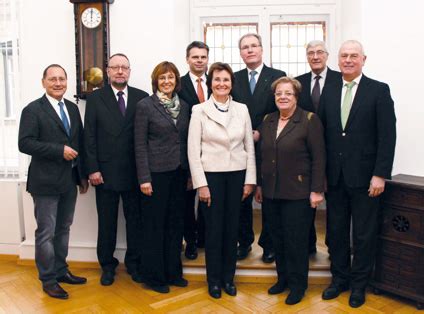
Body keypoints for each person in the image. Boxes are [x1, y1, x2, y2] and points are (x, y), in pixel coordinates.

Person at [320, 40, 396, 308]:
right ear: (338, 60)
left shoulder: (378, 90)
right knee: (336, 232)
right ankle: (339, 280)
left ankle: (358, 285)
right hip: (335, 178)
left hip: (366, 179)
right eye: (344, 56)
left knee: (363, 235)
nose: (348, 60)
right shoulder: (329, 91)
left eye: (354, 56)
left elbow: (387, 137)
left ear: (364, 59)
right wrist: (322, 175)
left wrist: (380, 175)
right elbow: (323, 137)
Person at [18, 64, 89, 299]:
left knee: (63, 229)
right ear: (43, 82)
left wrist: (82, 177)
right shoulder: (33, 110)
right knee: (46, 233)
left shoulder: (71, 107)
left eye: (61, 79)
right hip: (45, 183)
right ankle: (48, 279)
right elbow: (25, 143)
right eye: (52, 79)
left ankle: (61, 270)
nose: (58, 83)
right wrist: (59, 150)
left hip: (69, 181)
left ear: (67, 81)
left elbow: (78, 143)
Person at [255, 76, 326, 305]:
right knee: (277, 239)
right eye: (278, 93)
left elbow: (319, 158)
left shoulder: (308, 120)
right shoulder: (268, 120)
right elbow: (262, 156)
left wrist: (316, 191)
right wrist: (258, 184)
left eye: (288, 93)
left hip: (298, 192)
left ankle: (298, 286)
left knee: (296, 242)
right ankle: (282, 279)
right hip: (271, 192)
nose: (282, 97)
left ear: (296, 96)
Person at [188, 62, 256, 299]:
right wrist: (201, 184)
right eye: (217, 79)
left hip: (237, 175)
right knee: (214, 231)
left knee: (232, 229)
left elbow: (249, 146)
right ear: (210, 83)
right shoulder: (199, 110)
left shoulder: (242, 109)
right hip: (211, 177)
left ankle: (229, 279)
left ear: (231, 84)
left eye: (226, 80)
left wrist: (250, 180)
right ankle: (214, 281)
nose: (221, 84)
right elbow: (192, 151)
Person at [83, 53, 149, 286]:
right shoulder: (95, 98)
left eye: (124, 67)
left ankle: (134, 263)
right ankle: (107, 266)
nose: (120, 71)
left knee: (136, 222)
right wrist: (92, 169)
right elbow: (89, 136)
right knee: (107, 223)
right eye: (115, 67)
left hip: (135, 173)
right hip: (105, 173)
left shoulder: (143, 97)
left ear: (129, 71)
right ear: (108, 71)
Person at [134, 61, 190, 294]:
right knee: (155, 226)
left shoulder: (185, 106)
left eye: (170, 78)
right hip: (155, 175)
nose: (167, 82)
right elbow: (139, 144)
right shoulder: (145, 106)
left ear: (177, 81)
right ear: (156, 81)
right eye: (162, 78)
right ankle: (155, 277)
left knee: (176, 224)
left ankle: (173, 272)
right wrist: (144, 178)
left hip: (179, 173)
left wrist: (189, 173)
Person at [232, 33, 286, 262]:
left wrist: (261, 131)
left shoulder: (277, 76)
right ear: (241, 52)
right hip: (240, 147)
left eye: (254, 46)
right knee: (242, 196)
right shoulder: (234, 78)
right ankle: (244, 242)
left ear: (262, 49)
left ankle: (270, 244)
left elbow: (281, 108)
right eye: (245, 47)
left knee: (270, 197)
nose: (250, 50)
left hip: (270, 145)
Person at [296, 40, 341, 254]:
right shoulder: (299, 83)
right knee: (307, 203)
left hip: (336, 154)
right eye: (311, 53)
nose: (315, 56)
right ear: (307, 56)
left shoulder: (341, 80)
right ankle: (308, 245)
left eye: (320, 52)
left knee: (336, 207)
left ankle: (334, 247)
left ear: (327, 55)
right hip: (305, 154)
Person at [178, 41, 209, 260]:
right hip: (187, 150)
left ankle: (205, 239)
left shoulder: (218, 81)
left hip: (213, 151)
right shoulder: (177, 84)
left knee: (209, 199)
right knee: (187, 201)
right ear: (187, 59)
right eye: (195, 57)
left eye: (203, 57)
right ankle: (190, 241)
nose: (199, 60)